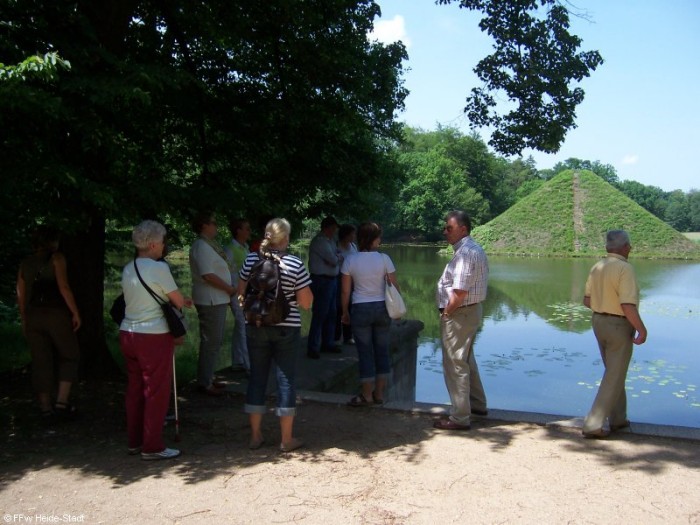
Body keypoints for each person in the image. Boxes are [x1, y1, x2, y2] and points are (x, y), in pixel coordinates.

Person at [236, 218, 313, 452]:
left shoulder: (251, 259)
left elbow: (241, 292)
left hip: (255, 325)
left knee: (257, 378)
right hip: (286, 328)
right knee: (286, 380)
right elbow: (306, 303)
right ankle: (286, 439)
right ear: (286, 238)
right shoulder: (294, 263)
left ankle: (255, 436)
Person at [119, 220, 192, 460]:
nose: (164, 247)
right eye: (162, 242)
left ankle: (134, 441)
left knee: (135, 389)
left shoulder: (129, 268)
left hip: (128, 333)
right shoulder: (158, 268)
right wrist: (183, 301)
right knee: (156, 390)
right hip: (153, 336)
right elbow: (178, 301)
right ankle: (152, 446)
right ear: (152, 244)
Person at [581, 230, 647, 439]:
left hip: (598, 322)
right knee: (614, 374)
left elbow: (587, 301)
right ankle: (593, 424)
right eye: (630, 245)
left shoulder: (597, 267)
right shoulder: (624, 269)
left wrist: (603, 305)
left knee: (614, 372)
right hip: (618, 325)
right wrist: (642, 329)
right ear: (626, 247)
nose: (631, 248)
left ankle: (618, 419)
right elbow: (627, 305)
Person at [16, 226, 81, 422]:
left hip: (33, 315)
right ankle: (61, 403)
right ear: (53, 241)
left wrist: (24, 318)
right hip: (55, 314)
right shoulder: (57, 258)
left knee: (40, 361)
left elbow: (20, 292)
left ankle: (45, 408)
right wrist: (75, 312)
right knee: (70, 355)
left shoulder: (25, 263)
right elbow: (63, 287)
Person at [433, 210, 489, 431]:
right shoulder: (470, 249)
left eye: (449, 228)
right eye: (445, 228)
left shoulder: (466, 253)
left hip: (460, 313)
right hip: (468, 312)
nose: (445, 232)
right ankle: (477, 405)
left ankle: (459, 417)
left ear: (463, 229)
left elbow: (459, 292)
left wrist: (447, 312)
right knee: (466, 360)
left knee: (455, 363)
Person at [341, 222, 399, 406]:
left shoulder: (350, 260)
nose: (380, 240)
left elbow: (345, 291)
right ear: (373, 239)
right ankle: (379, 394)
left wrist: (344, 312)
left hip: (360, 308)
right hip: (382, 308)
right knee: (382, 351)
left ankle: (366, 395)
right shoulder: (384, 259)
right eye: (378, 236)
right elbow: (395, 286)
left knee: (365, 353)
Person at [189, 211, 236, 396]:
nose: (216, 226)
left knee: (214, 341)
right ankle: (205, 382)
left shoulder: (209, 245)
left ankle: (208, 375)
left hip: (217, 298)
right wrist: (228, 288)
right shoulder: (201, 246)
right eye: (213, 223)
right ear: (204, 226)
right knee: (211, 341)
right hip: (210, 299)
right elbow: (207, 275)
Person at [307, 215, 341, 359]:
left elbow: (336, 256)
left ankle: (328, 343)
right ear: (327, 228)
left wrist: (336, 258)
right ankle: (313, 347)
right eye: (333, 228)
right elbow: (334, 260)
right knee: (320, 313)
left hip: (332, 280)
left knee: (332, 313)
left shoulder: (331, 241)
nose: (335, 231)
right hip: (321, 280)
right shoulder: (320, 241)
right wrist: (337, 258)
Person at [225, 218, 252, 374]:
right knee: (243, 326)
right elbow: (227, 273)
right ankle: (249, 365)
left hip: (246, 293)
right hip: (237, 293)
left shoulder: (245, 248)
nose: (249, 231)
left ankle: (237, 361)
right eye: (246, 229)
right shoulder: (229, 249)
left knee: (240, 327)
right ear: (238, 231)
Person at [335, 223, 357, 345]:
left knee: (350, 307)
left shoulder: (353, 246)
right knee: (339, 307)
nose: (354, 236)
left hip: (352, 280)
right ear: (346, 234)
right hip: (339, 279)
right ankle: (337, 336)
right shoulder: (336, 246)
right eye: (352, 234)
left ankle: (348, 336)